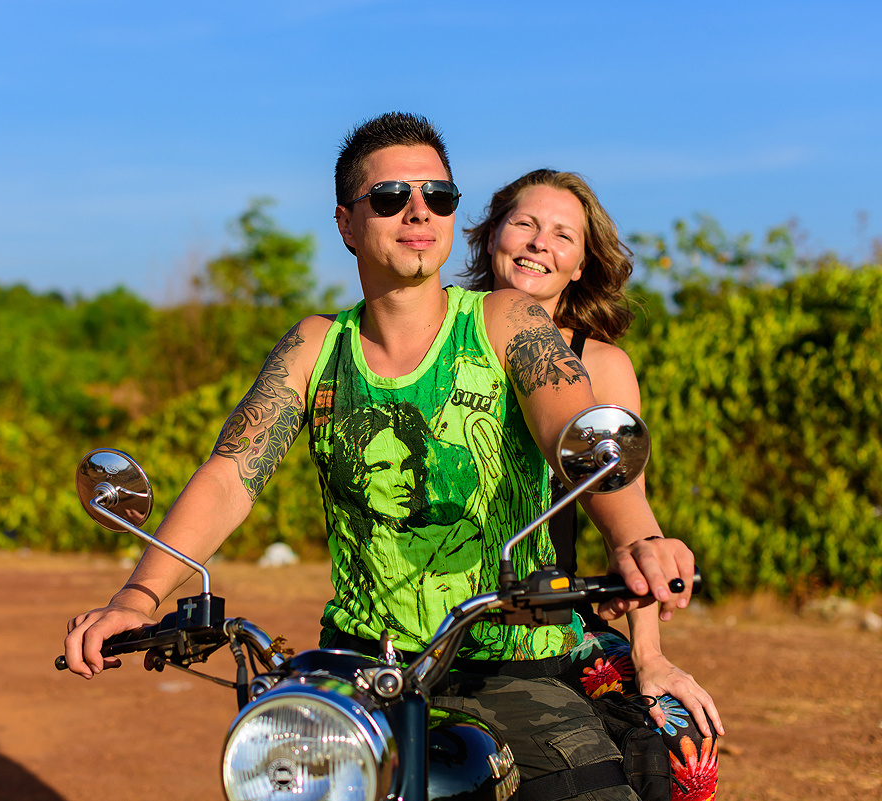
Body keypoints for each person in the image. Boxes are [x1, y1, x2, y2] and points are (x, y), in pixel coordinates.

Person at [64, 112, 697, 800]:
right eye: (392, 197)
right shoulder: (315, 346)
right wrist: (140, 594)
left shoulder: (506, 319)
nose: (418, 211)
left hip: (510, 663)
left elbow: (577, 435)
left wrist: (637, 536)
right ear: (346, 223)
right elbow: (230, 474)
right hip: (357, 669)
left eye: (439, 196)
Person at [462, 169, 723, 799]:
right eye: (523, 223)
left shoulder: (604, 364)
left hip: (556, 611)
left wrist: (650, 652)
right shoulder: (436, 336)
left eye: (562, 235)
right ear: (491, 235)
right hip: (441, 618)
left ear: (580, 264)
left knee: (679, 738)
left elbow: (627, 508)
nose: (537, 243)